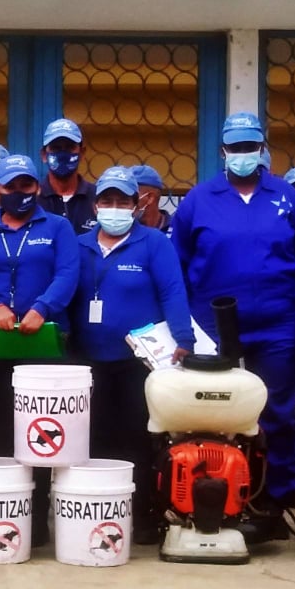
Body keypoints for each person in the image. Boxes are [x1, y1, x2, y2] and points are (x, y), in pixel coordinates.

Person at [171, 111, 295, 517]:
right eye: (235, 147)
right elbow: (179, 263)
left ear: (263, 148)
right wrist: (187, 326)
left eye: (250, 146)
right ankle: (218, 483)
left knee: (278, 408)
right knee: (217, 407)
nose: (243, 154)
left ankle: (285, 485)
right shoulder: (198, 200)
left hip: (279, 321)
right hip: (215, 322)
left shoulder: (285, 196)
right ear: (223, 151)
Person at [72, 167, 192, 538]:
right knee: (94, 439)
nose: (114, 207)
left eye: (122, 201)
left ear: (136, 205)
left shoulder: (154, 243)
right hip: (88, 360)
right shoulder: (79, 245)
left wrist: (184, 336)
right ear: (95, 206)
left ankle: (140, 517)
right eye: (107, 200)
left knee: (137, 439)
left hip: (137, 363)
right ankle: (96, 515)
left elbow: (172, 290)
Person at [0, 153, 81, 456]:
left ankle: (41, 488)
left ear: (37, 188)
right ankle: (9, 484)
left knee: (44, 430)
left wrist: (43, 307)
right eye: (10, 186)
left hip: (44, 341)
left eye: (25, 185)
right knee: (4, 430)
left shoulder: (58, 227)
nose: (18, 192)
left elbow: (67, 274)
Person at [37, 117, 96, 233]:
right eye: (55, 148)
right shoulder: (34, 200)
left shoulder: (98, 197)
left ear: (82, 153)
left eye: (69, 148)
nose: (63, 154)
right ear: (43, 155)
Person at [130, 164, 170, 230]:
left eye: (130, 195)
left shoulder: (178, 228)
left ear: (150, 198)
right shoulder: (121, 230)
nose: (125, 202)